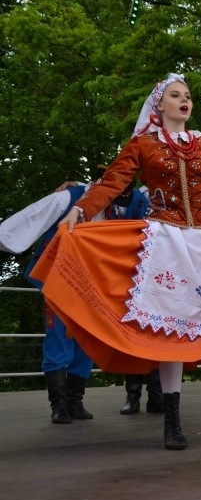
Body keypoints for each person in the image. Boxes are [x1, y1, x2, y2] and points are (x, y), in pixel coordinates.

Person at [30, 73, 201, 449]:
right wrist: (81, 212)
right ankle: (172, 420)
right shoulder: (143, 145)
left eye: (187, 95)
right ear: (161, 105)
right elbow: (111, 183)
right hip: (168, 241)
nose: (184, 100)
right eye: (175, 95)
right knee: (171, 329)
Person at [1, 166, 148, 423]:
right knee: (58, 335)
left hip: (92, 283)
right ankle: (58, 405)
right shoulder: (68, 198)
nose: (116, 199)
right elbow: (31, 217)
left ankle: (75, 401)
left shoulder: (122, 204)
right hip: (58, 276)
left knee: (86, 338)